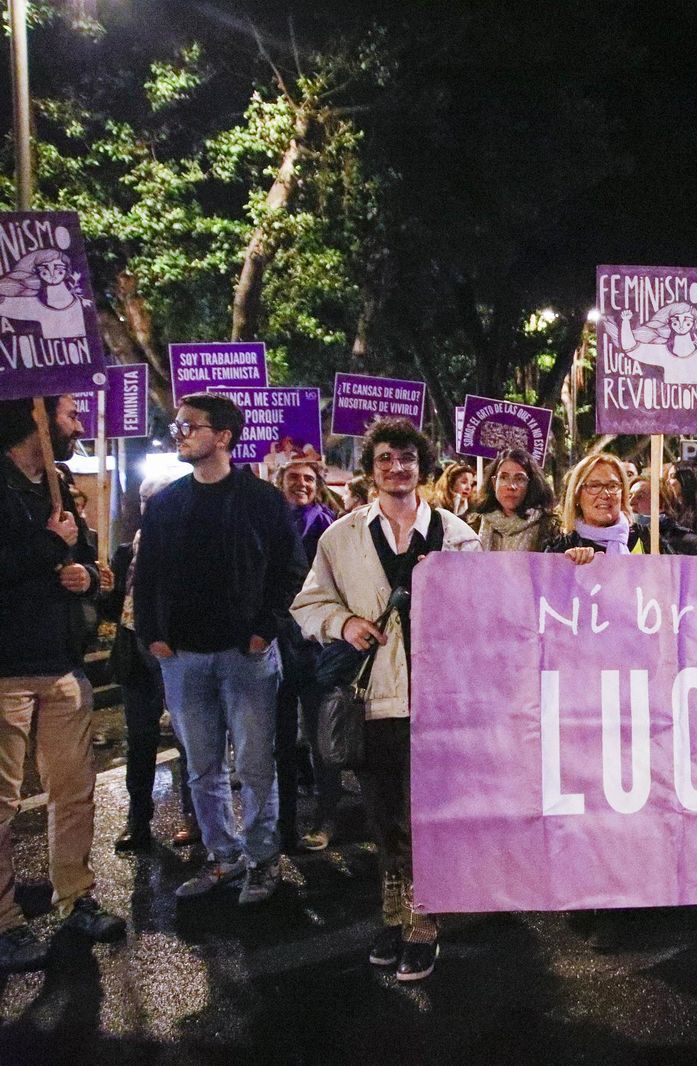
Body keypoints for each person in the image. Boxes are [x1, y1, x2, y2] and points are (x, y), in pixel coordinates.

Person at [293, 418, 480, 981]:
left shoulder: (459, 536)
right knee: (383, 815)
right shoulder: (341, 536)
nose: (397, 468)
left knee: (429, 816)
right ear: (372, 469)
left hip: (441, 701)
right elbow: (308, 604)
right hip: (375, 699)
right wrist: (342, 620)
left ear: (422, 467)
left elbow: (487, 614)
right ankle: (393, 911)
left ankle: (424, 920)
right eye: (385, 459)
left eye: (407, 458)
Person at [135, 393, 308, 907]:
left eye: (190, 426)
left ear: (224, 437)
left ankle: (261, 858)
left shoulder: (261, 500)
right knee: (202, 767)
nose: (180, 433)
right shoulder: (166, 503)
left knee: (255, 765)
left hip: (246, 657)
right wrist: (153, 635)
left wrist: (265, 629)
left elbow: (290, 570)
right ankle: (222, 856)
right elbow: (147, 576)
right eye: (177, 426)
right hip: (183, 659)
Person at [0, 395, 126, 972]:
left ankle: (75, 896)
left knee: (73, 792)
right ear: (36, 417)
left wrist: (89, 579)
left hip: (62, 664)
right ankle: (3, 921)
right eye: (70, 415)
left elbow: (88, 572)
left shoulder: (60, 485)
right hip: (5, 670)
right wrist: (51, 545)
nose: (78, 425)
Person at [102, 469, 196, 852]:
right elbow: (113, 607)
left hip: (175, 654)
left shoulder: (188, 549)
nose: (150, 509)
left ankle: (196, 819)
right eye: (145, 502)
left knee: (190, 741)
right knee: (139, 741)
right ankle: (138, 821)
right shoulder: (126, 552)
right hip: (135, 654)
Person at [276, 457, 340, 852]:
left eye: (308, 479)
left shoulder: (330, 528)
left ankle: (327, 818)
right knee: (279, 741)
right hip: (275, 644)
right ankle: (282, 824)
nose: (301, 484)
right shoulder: (269, 523)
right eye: (294, 478)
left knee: (322, 740)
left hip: (316, 648)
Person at [545, 452, 697, 559]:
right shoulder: (561, 549)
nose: (605, 494)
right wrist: (566, 568)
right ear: (577, 495)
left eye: (613, 486)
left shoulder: (648, 540)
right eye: (594, 486)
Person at [467, 447, 558, 552]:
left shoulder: (549, 527)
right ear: (493, 482)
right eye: (504, 477)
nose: (511, 486)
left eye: (519, 479)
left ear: (531, 484)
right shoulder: (474, 526)